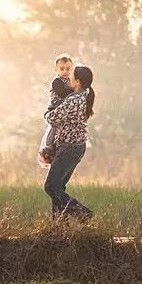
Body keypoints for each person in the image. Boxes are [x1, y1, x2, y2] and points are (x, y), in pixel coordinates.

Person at [43, 65, 95, 220]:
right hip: (76, 147)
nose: (68, 78)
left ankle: (82, 212)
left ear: (77, 82)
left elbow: (52, 118)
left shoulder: (73, 100)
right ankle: (59, 227)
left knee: (50, 187)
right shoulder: (85, 94)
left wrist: (47, 110)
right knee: (58, 187)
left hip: (68, 148)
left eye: (71, 76)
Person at [37, 54, 75, 167]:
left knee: (60, 129)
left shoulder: (70, 80)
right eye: (62, 69)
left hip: (63, 111)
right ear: (56, 70)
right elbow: (63, 94)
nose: (65, 71)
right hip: (54, 108)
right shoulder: (57, 81)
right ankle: (48, 146)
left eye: (68, 69)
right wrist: (75, 93)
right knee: (53, 127)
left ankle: (58, 148)